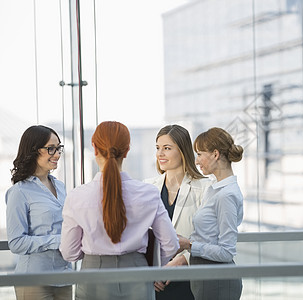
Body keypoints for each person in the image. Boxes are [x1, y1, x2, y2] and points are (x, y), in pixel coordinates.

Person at [59, 121, 179, 300]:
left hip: (93, 275)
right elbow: (171, 244)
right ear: (127, 150)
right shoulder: (148, 193)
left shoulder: (77, 196)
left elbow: (69, 253)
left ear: (94, 148)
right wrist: (153, 270)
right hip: (138, 274)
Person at [6, 125, 72, 300]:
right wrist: (57, 240)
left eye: (59, 148)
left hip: (65, 277)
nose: (57, 154)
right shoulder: (19, 192)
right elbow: (16, 242)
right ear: (33, 150)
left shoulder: (60, 186)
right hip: (34, 280)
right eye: (51, 149)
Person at [144, 124, 210, 300]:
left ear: (182, 151)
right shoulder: (148, 187)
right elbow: (140, 235)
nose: (160, 154)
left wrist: (183, 260)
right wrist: (150, 271)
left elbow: (210, 237)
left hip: (190, 280)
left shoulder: (204, 187)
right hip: (155, 282)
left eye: (167, 148)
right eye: (158, 148)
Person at [177, 127, 244, 300]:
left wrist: (189, 245)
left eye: (199, 154)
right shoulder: (214, 190)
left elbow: (227, 252)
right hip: (205, 274)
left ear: (215, 154)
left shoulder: (226, 195)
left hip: (217, 278)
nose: (197, 161)